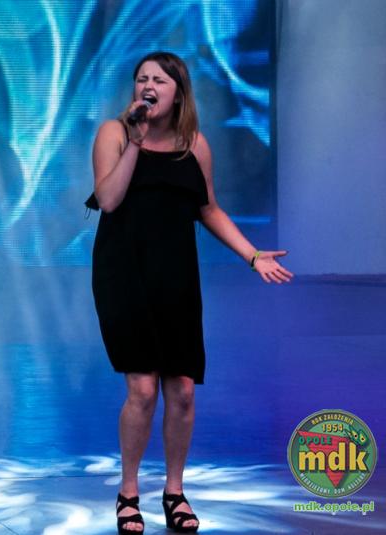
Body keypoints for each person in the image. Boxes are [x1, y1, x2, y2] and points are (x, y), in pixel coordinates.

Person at [86, 51, 293, 534]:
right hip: (123, 273)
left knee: (180, 389)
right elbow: (109, 200)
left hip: (176, 276)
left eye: (159, 79)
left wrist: (253, 255)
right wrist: (136, 141)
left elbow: (209, 209)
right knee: (142, 388)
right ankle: (128, 493)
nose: (148, 86)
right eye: (141, 78)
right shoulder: (114, 133)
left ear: (178, 92)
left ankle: (174, 491)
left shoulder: (194, 144)